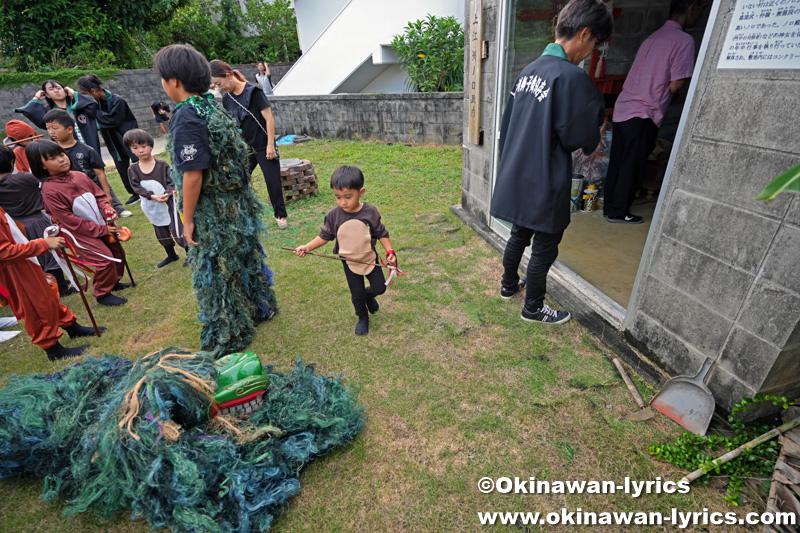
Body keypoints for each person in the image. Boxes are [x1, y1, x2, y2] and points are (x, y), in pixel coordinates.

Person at [490, 0, 612, 325]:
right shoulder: (571, 78)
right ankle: (533, 308)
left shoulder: (527, 72)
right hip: (547, 180)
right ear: (584, 34)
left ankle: (507, 286)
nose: (590, 51)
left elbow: (509, 125)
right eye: (595, 43)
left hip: (519, 173)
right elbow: (582, 138)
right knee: (545, 246)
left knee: (518, 234)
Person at [153, 43, 278, 357]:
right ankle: (260, 308)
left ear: (173, 82)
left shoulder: (185, 116)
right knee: (244, 258)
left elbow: (193, 174)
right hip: (237, 204)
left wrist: (188, 219)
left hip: (214, 210)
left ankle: (230, 332)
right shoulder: (212, 105)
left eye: (162, 80)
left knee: (217, 272)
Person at [603, 0, 705, 224]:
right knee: (633, 165)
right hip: (644, 112)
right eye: (700, 9)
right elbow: (675, 85)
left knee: (618, 162)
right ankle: (620, 212)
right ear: (692, 8)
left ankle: (610, 207)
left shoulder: (653, 37)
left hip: (624, 107)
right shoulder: (683, 40)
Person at [294, 165, 397, 336]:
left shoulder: (370, 212)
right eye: (338, 197)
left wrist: (390, 252)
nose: (343, 202)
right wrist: (308, 247)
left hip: (369, 258)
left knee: (380, 287)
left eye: (348, 197)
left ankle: (369, 296)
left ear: (361, 192)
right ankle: (362, 317)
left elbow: (381, 233)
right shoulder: (334, 216)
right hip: (348, 262)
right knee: (356, 295)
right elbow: (324, 236)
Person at [27, 140, 129, 307]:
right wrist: (101, 229)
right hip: (81, 234)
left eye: (61, 154)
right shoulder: (50, 190)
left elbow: (99, 196)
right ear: (42, 165)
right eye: (53, 158)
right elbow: (69, 220)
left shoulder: (80, 176)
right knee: (105, 259)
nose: (61, 159)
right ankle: (102, 293)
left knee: (117, 252)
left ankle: (114, 282)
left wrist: (107, 208)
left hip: (101, 223)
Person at [0, 205, 105, 361]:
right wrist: (43, 244)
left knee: (46, 295)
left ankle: (72, 327)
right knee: (34, 305)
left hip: (23, 262)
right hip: (12, 269)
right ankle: (53, 350)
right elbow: (3, 252)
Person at [209, 60, 288, 230]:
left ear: (228, 76)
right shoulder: (227, 98)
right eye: (215, 85)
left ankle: (280, 215)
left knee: (273, 183)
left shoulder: (254, 91)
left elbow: (269, 119)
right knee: (240, 181)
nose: (218, 88)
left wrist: (270, 145)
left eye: (218, 83)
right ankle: (243, 214)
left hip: (263, 146)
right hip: (244, 149)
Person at [0, 144, 74, 296]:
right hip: (38, 221)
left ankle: (49, 282)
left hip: (15, 226)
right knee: (50, 253)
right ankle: (61, 287)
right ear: (12, 163)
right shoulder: (24, 178)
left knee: (34, 255)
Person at [43, 109, 132, 219]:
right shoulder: (52, 152)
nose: (51, 132)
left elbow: (100, 174)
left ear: (70, 129)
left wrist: (107, 194)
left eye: (55, 128)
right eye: (48, 128)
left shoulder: (87, 150)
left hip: (91, 188)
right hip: (70, 192)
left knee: (100, 215)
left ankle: (117, 209)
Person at [123, 128, 188, 268]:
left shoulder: (162, 165)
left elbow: (172, 181)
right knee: (160, 230)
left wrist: (167, 193)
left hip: (168, 203)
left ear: (151, 146)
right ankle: (171, 255)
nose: (140, 150)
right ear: (131, 150)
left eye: (143, 146)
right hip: (151, 205)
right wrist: (151, 196)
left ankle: (190, 253)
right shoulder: (132, 169)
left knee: (177, 228)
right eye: (135, 147)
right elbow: (136, 187)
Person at [75, 74, 140, 205]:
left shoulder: (117, 101)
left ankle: (148, 189)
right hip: (113, 140)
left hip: (128, 136)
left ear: (93, 91)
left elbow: (111, 120)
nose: (84, 97)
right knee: (121, 167)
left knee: (139, 162)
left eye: (84, 94)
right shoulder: (94, 104)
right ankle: (135, 193)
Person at [14, 79, 101, 153]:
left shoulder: (79, 107)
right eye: (51, 89)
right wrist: (36, 97)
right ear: (46, 94)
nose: (56, 91)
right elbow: (31, 111)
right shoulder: (49, 113)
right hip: (67, 152)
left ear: (65, 91)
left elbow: (92, 103)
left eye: (59, 88)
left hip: (90, 148)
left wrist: (74, 93)